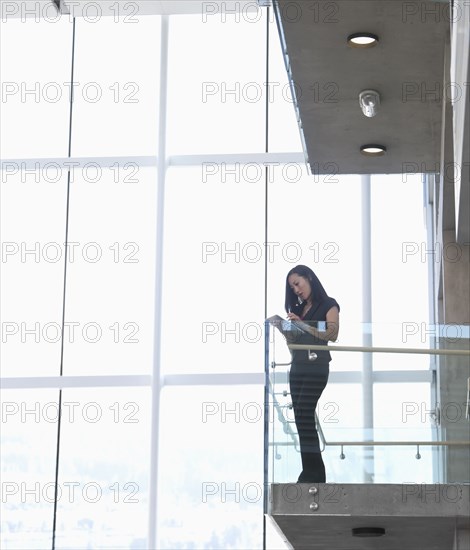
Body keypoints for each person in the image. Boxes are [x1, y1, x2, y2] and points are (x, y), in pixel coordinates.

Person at [283, 265, 340, 483]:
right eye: (292, 287)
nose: (296, 290)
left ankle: (315, 473)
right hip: (297, 366)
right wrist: (289, 331)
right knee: (300, 418)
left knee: (305, 412)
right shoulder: (300, 310)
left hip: (317, 367)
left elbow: (332, 334)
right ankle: (310, 471)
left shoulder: (328, 304)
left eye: (297, 283)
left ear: (309, 278)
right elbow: (297, 342)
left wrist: (303, 326)